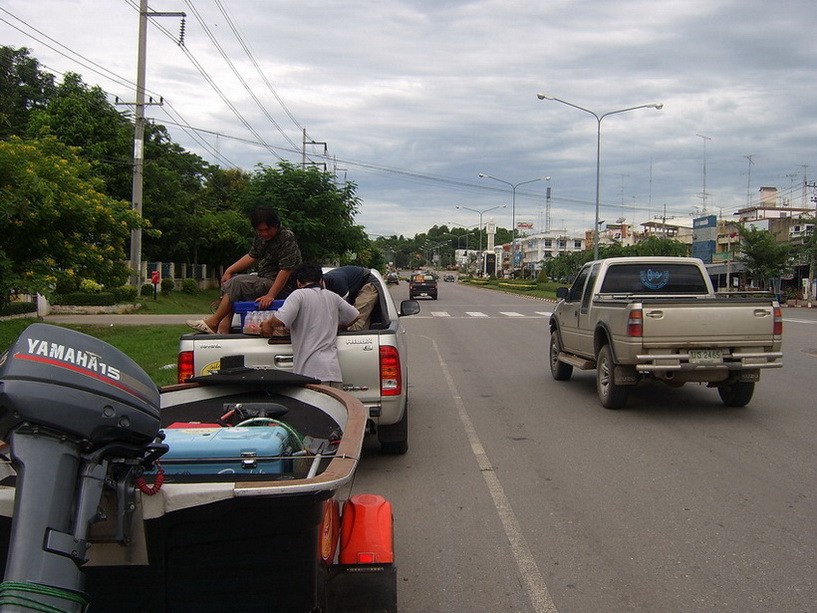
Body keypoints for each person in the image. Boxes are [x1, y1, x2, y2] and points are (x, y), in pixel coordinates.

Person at [186, 207, 301, 334]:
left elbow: (286, 270)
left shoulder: (286, 237)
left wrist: (270, 295)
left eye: (267, 230)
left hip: (281, 285)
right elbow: (252, 256)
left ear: (276, 225)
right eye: (260, 230)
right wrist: (229, 271)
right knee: (232, 280)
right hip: (264, 279)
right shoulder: (260, 237)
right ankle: (223, 328)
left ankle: (213, 322)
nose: (264, 234)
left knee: (237, 283)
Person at [260, 263, 360, 384]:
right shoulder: (333, 296)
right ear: (321, 280)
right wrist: (337, 326)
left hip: (310, 372)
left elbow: (279, 320)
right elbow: (355, 315)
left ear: (298, 283)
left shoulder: (298, 295)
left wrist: (268, 323)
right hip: (332, 371)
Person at [322, 265, 378, 331]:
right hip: (353, 288)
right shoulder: (319, 285)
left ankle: (351, 338)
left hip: (367, 284)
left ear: (320, 281)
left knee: (355, 318)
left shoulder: (336, 281)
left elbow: (344, 310)